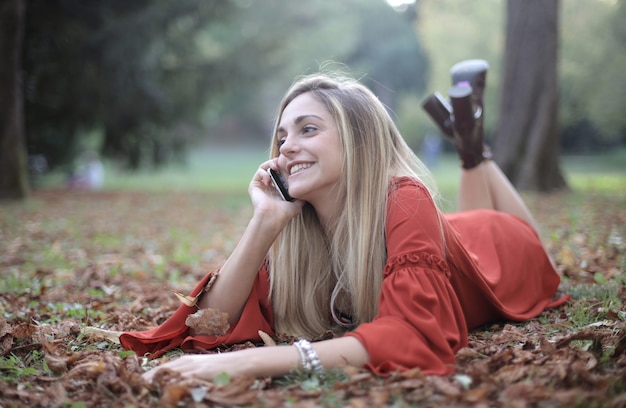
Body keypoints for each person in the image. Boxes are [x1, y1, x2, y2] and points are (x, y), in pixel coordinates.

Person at [120, 70, 567, 382]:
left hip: (499, 252)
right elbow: (208, 328)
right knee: (461, 225)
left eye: (307, 130)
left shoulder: (406, 197)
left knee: (531, 248)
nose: (287, 147)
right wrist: (265, 220)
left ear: (356, 140)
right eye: (281, 137)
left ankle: (473, 150)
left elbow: (416, 335)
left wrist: (259, 363)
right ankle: (469, 137)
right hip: (444, 235)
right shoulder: (298, 234)